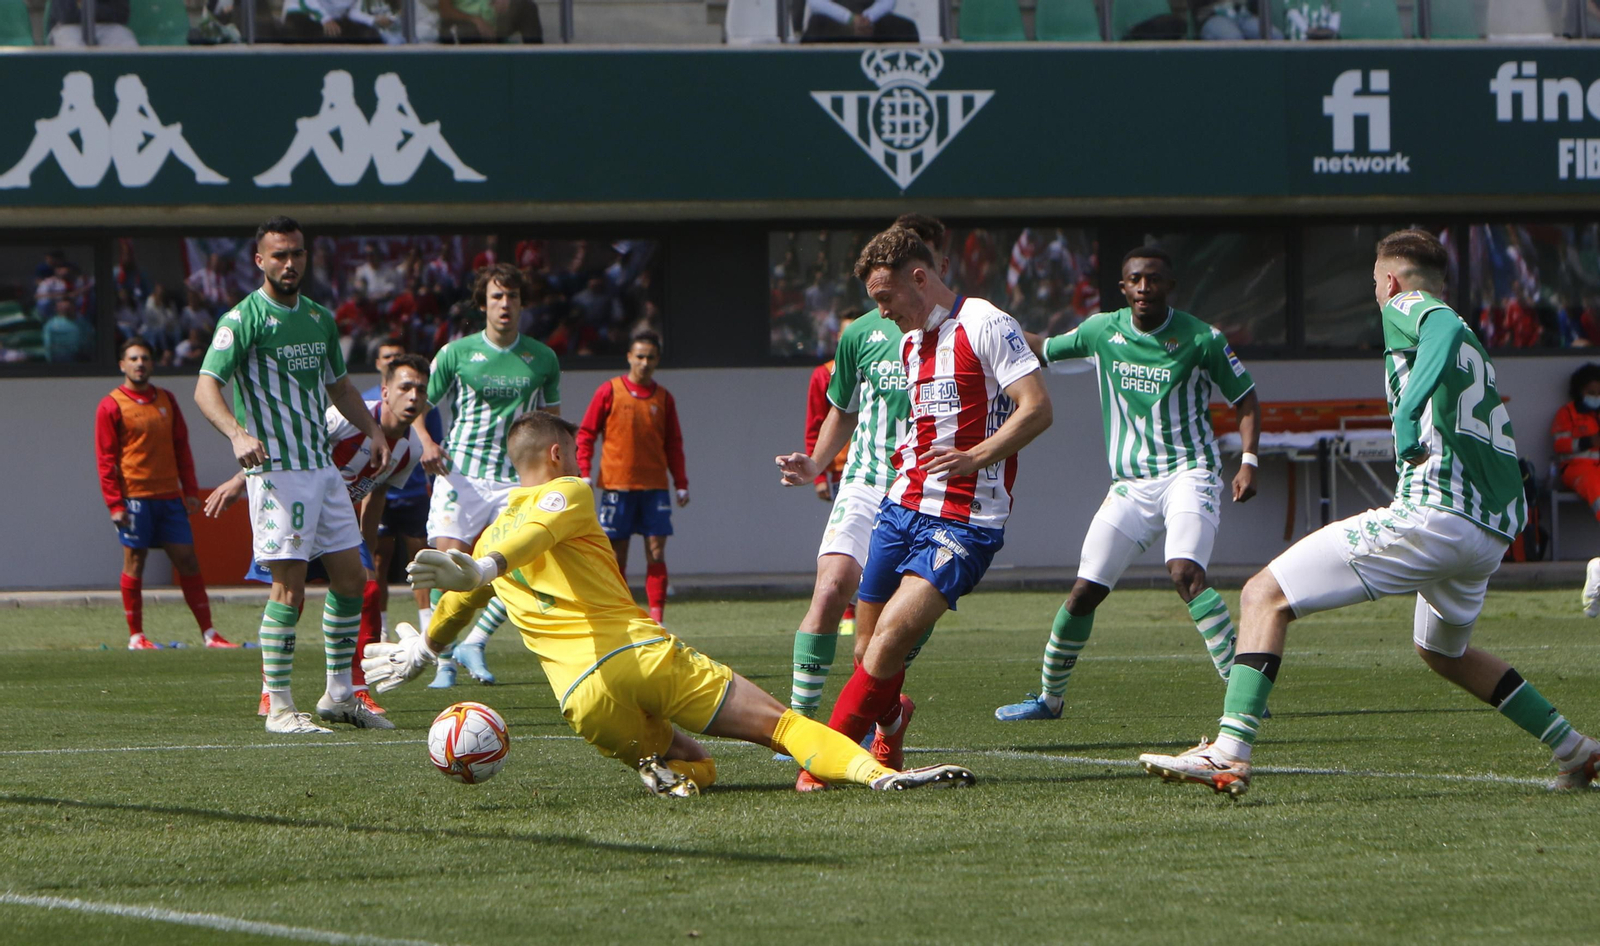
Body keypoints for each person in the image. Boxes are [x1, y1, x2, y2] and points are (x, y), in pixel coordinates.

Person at [1138, 229, 1600, 796]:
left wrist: (1406, 415)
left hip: (1436, 515)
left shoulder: (1414, 307)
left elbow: (1441, 325)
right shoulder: (1471, 343)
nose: (1378, 300)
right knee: (1442, 651)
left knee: (1264, 594)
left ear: (1389, 280)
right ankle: (1575, 749)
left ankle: (1229, 752)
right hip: (1485, 533)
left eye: (1375, 288)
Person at [364, 411, 975, 796]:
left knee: (699, 767)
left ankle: (657, 772)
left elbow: (457, 605)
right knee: (785, 726)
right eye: (574, 452)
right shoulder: (568, 492)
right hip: (638, 655)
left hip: (584, 705)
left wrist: (422, 649)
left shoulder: (487, 536)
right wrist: (485, 568)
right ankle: (880, 774)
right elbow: (535, 538)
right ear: (556, 456)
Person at [785, 226, 1052, 792]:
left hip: (965, 521)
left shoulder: (987, 323)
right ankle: (893, 721)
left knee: (885, 644)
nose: (881, 312)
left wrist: (974, 457)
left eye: (886, 298)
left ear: (921, 278)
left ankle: (822, 766)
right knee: (866, 647)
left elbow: (1037, 409)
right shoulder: (909, 342)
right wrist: (822, 464)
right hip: (899, 507)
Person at [994, 246, 1262, 722]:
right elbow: (1045, 349)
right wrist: (992, 323)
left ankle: (1245, 694)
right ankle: (1049, 700)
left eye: (1154, 280)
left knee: (1185, 573)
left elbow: (1246, 399)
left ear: (1169, 286)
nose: (1144, 288)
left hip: (1189, 473)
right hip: (1130, 486)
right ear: (1123, 287)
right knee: (1084, 593)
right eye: (1135, 280)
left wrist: (1249, 461)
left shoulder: (1203, 338)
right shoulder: (1102, 330)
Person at [194, 215, 392, 734]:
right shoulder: (242, 319)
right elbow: (206, 388)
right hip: (277, 475)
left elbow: (341, 387)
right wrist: (237, 434)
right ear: (259, 260)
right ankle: (279, 707)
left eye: (297, 254)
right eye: (278, 255)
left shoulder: (320, 318)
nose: (289, 263)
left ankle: (338, 694)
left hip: (321, 469)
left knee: (352, 578)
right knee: (290, 587)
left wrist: (373, 430)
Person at [774, 214, 947, 730]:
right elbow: (843, 408)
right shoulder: (864, 333)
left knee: (890, 634)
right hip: (869, 481)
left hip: (930, 493)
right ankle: (799, 731)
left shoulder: (969, 328)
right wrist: (816, 463)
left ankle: (882, 713)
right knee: (829, 591)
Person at [210, 353, 430, 718]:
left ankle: (352, 690)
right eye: (405, 387)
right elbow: (294, 446)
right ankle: (271, 692)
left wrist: (367, 547)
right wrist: (239, 482)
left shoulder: (411, 449)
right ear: (386, 390)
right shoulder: (346, 418)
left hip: (338, 519)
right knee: (289, 596)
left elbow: (376, 493)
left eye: (420, 391)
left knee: (366, 587)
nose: (413, 397)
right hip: (296, 506)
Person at [414, 262, 561, 688]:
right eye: (496, 296)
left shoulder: (543, 358)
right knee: (447, 563)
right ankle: (443, 661)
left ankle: (475, 641)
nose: (505, 304)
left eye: (512, 296)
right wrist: (426, 441)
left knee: (513, 567)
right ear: (482, 304)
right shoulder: (455, 353)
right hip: (462, 473)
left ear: (522, 304)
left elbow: (550, 422)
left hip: (515, 479)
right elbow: (420, 408)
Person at [96, 337, 235, 651]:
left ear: (152, 364)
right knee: (135, 563)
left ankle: (210, 634)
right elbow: (105, 459)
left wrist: (189, 489)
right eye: (133, 358)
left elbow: (181, 448)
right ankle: (136, 637)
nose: (139, 363)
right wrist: (114, 504)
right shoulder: (112, 404)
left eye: (144, 358)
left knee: (187, 561)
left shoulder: (167, 400)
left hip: (169, 498)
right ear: (122, 365)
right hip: (134, 498)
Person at [575, 332, 688, 626]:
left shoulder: (664, 398)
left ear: (657, 360)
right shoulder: (609, 391)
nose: (644, 363)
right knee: (615, 553)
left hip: (654, 488)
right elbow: (586, 433)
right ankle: (622, 614)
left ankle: (657, 619)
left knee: (656, 550)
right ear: (628, 357)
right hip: (617, 486)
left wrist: (681, 483)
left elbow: (673, 444)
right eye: (639, 356)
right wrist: (584, 472)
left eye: (650, 357)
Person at [365, 342, 443, 644]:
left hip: (411, 491)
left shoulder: (422, 408)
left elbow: (430, 443)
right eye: (387, 357)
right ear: (378, 365)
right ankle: (379, 628)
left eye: (397, 356)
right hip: (376, 493)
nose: (392, 360)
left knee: (420, 559)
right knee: (378, 560)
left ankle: (427, 628)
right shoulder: (360, 405)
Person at [1553, 363, 1600, 616]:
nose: (1596, 396)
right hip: (1577, 467)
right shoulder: (1567, 413)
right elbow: (1560, 443)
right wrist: (1588, 441)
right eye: (1591, 391)